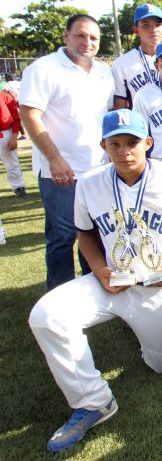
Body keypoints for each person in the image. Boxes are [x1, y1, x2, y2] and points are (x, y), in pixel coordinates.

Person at [28, 109, 162, 453]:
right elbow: (85, 233)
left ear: (148, 143)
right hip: (111, 282)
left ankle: (147, 334)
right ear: (104, 146)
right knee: (46, 315)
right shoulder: (91, 183)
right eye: (116, 144)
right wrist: (98, 270)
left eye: (133, 142)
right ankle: (93, 401)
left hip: (160, 286)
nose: (125, 150)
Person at [19, 14, 114, 290]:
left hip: (97, 169)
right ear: (66, 36)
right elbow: (29, 114)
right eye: (80, 35)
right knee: (62, 238)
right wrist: (54, 158)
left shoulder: (103, 72)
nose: (87, 42)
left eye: (93, 37)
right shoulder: (44, 69)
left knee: (95, 234)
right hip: (61, 172)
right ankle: (59, 295)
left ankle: (93, 287)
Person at [112, 4, 162, 109]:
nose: (153, 29)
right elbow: (120, 106)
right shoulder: (121, 63)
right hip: (140, 123)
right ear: (136, 30)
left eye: (158, 24)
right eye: (146, 25)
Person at [0, 86, 25, 196]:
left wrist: (14, 135)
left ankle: (19, 187)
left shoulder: (5, 96)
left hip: (5, 132)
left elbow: (16, 118)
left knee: (11, 162)